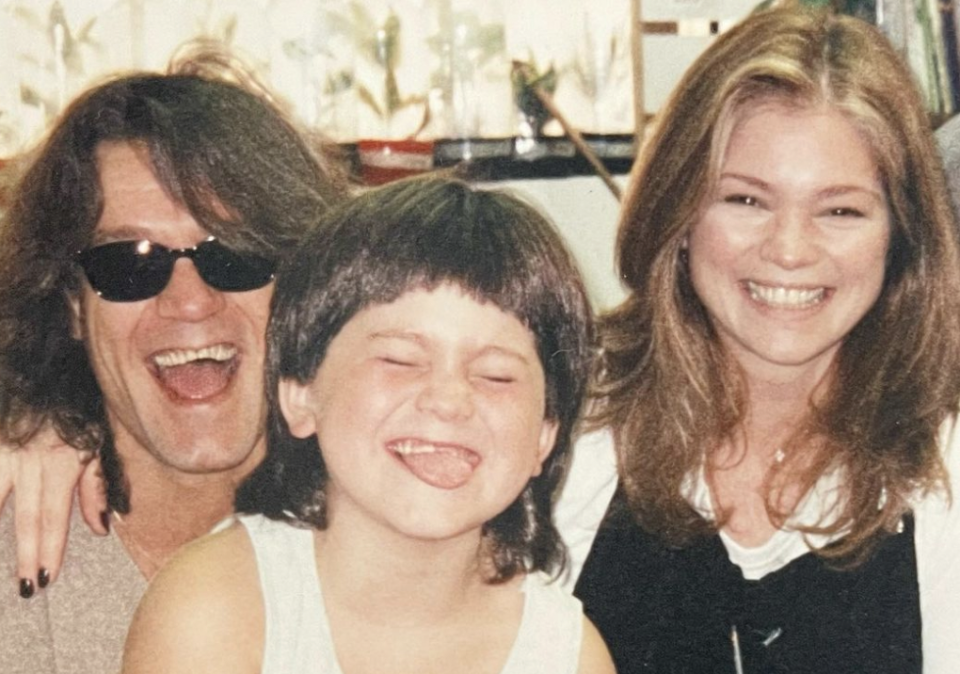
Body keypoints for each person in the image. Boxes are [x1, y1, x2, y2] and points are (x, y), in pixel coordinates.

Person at [574, 6, 960, 673]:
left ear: (902, 235)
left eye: (841, 210)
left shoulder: (947, 461)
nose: (788, 250)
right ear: (680, 211)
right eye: (746, 200)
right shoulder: (562, 432)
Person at [120, 175, 614, 674]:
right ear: (300, 392)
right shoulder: (216, 612)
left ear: (545, 436)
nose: (449, 400)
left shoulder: (565, 654)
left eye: (496, 374)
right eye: (400, 361)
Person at [0, 58, 347, 673]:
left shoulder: (389, 533)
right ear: (71, 305)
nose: (189, 300)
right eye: (130, 262)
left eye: (236, 253)